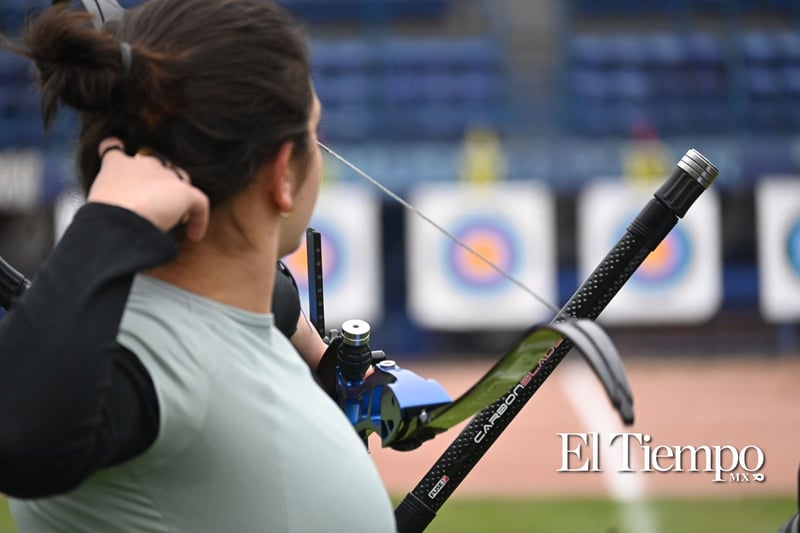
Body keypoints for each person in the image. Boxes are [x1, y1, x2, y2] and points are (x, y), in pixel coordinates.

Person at [0, 1, 396, 532]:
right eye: (314, 132)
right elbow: (21, 435)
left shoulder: (137, 324)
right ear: (283, 172)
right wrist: (107, 221)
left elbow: (259, 306)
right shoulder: (150, 361)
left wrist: (323, 359)